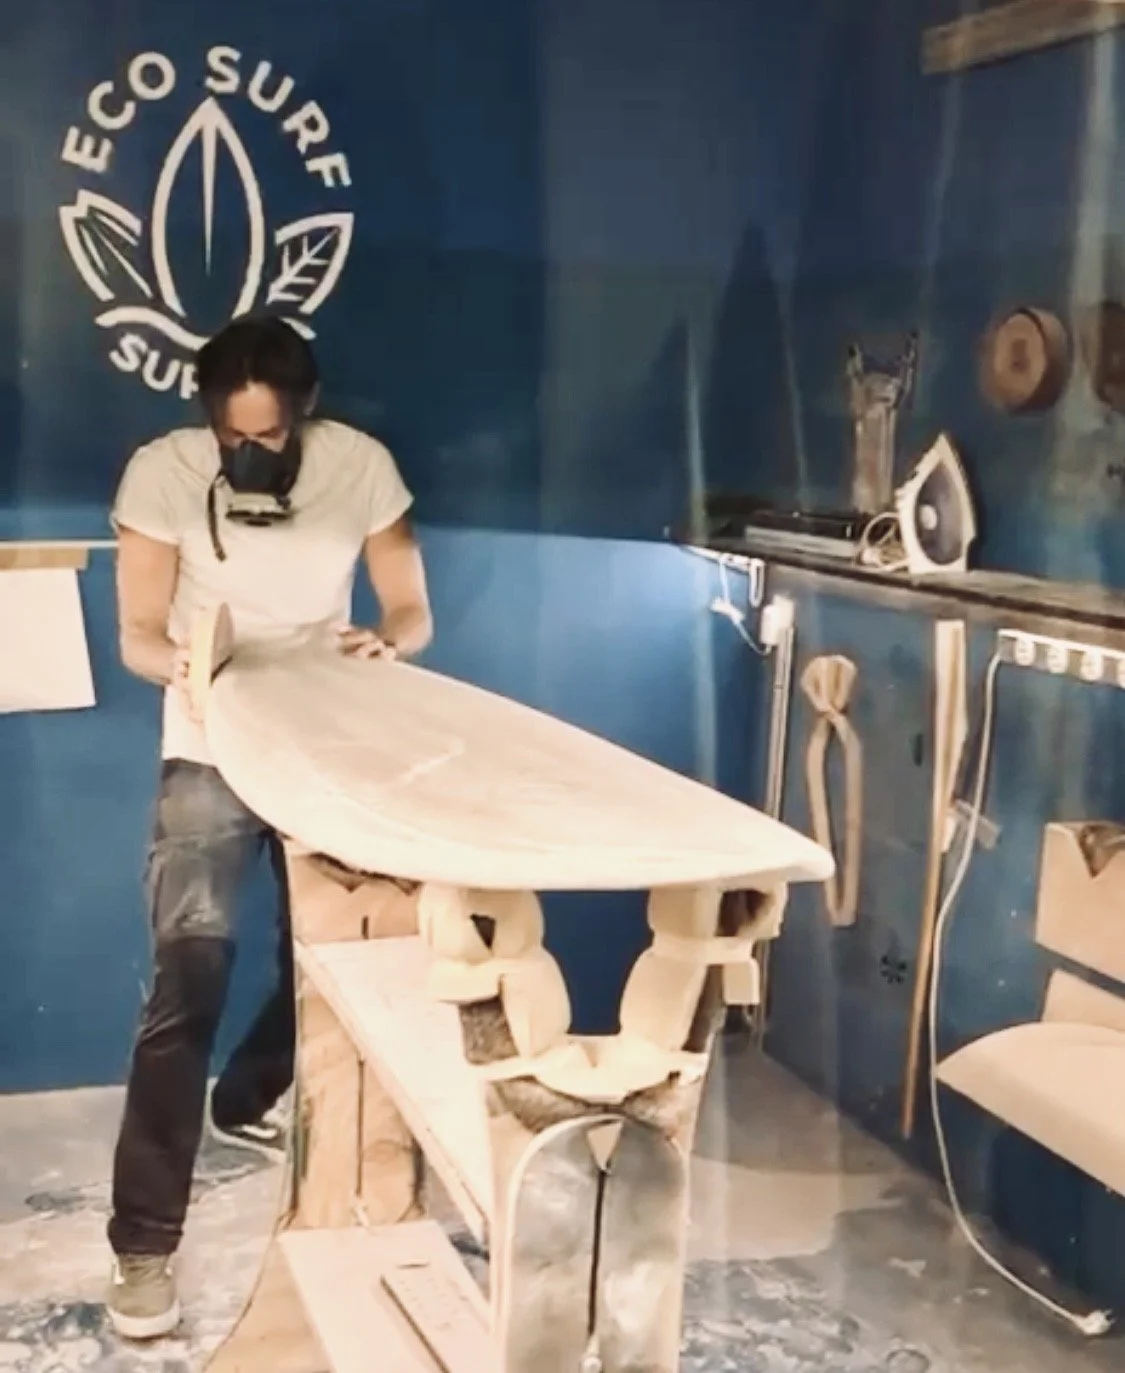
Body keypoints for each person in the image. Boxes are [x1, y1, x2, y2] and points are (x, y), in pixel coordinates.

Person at [104, 315, 433, 1340]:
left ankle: (248, 1094)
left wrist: (387, 642)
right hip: (210, 743)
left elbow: (412, 607)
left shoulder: (360, 468)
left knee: (331, 960)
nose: (248, 453)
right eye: (230, 437)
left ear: (307, 412)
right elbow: (137, 635)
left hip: (328, 741)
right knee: (188, 975)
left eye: (268, 436)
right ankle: (143, 1244)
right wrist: (199, 668)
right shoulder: (162, 473)